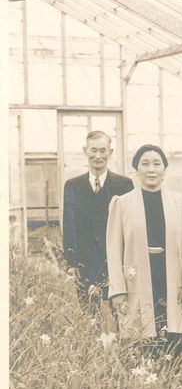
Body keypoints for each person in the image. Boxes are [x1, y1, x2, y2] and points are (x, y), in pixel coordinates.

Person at [106, 144, 182, 358]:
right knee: (140, 346)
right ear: (136, 170)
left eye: (157, 164)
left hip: (171, 281)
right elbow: (113, 249)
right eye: (145, 164)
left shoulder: (180, 202)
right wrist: (118, 289)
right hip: (136, 282)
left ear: (165, 170)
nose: (151, 169)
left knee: (173, 346)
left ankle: (172, 387)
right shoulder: (122, 204)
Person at [63, 131, 133, 320]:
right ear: (85, 151)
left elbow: (130, 226)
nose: (98, 156)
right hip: (85, 263)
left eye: (103, 150)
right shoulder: (72, 186)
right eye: (93, 150)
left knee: (121, 313)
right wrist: (72, 262)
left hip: (115, 261)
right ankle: (93, 349)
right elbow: (69, 225)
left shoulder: (124, 184)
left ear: (111, 152)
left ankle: (121, 349)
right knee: (89, 316)